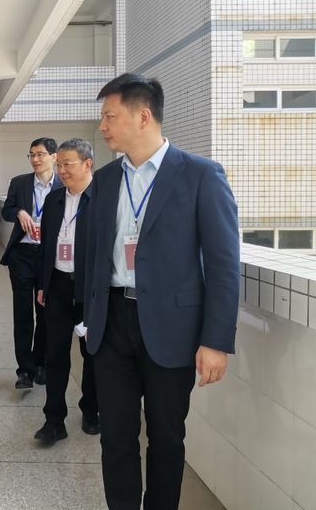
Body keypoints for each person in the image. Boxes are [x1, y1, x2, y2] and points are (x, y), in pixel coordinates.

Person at [85, 74, 239, 510]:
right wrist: (89, 316)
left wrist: (215, 340)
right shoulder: (105, 179)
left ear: (143, 116)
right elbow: (95, 254)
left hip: (172, 328)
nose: (103, 126)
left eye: (110, 116)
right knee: (116, 436)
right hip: (112, 324)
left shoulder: (200, 175)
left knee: (167, 438)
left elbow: (224, 265)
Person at [34, 138, 98, 444]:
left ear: (87, 164)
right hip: (58, 286)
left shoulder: (102, 199)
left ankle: (91, 410)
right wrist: (43, 284)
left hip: (90, 289)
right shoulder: (54, 200)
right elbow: (46, 245)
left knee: (92, 354)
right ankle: (54, 420)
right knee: (55, 354)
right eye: (58, 164)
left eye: (67, 164)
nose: (61, 170)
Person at [0, 137, 62, 389]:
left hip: (50, 256)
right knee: (23, 314)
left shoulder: (63, 184)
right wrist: (19, 211)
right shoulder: (20, 183)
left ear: (54, 157)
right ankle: (25, 370)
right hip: (22, 255)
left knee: (46, 312)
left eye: (40, 154)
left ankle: (41, 363)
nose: (35, 159)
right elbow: (6, 210)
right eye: (32, 154)